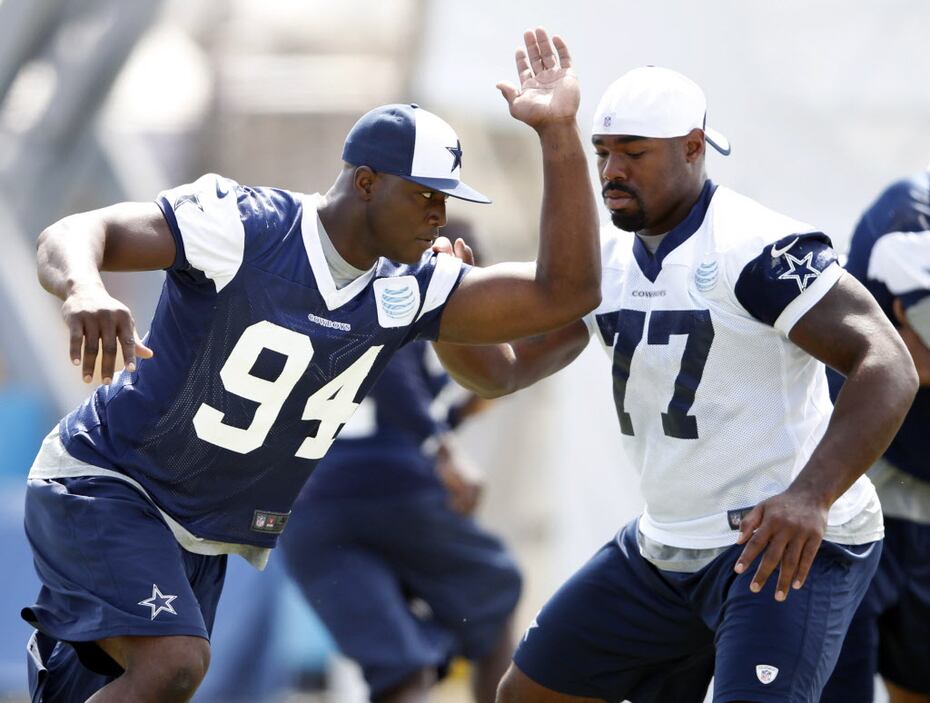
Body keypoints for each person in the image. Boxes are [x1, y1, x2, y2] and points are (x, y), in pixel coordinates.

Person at [21, 28, 599, 703]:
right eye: (424, 195)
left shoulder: (406, 288)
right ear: (365, 182)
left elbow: (556, 300)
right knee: (174, 662)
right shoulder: (248, 226)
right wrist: (85, 287)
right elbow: (73, 233)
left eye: (445, 200)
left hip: (201, 530)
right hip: (111, 479)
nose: (439, 215)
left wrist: (559, 134)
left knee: (102, 684)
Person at [433, 66, 918, 703]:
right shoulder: (602, 264)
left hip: (781, 542)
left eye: (634, 153)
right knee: (529, 694)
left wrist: (811, 496)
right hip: (669, 544)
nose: (612, 171)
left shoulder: (756, 248)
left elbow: (888, 363)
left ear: (693, 147)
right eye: (603, 153)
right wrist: (443, 313)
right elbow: (502, 371)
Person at [279, 333, 520, 703]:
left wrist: (457, 415)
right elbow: (390, 368)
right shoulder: (398, 288)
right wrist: (443, 446)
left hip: (306, 511)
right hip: (397, 494)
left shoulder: (308, 300)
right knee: (494, 593)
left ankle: (428, 645)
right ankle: (439, 643)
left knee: (401, 670)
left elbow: (389, 405)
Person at [821, 168, 930, 703]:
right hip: (858, 498)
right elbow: (908, 361)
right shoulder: (909, 217)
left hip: (918, 493)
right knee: (834, 686)